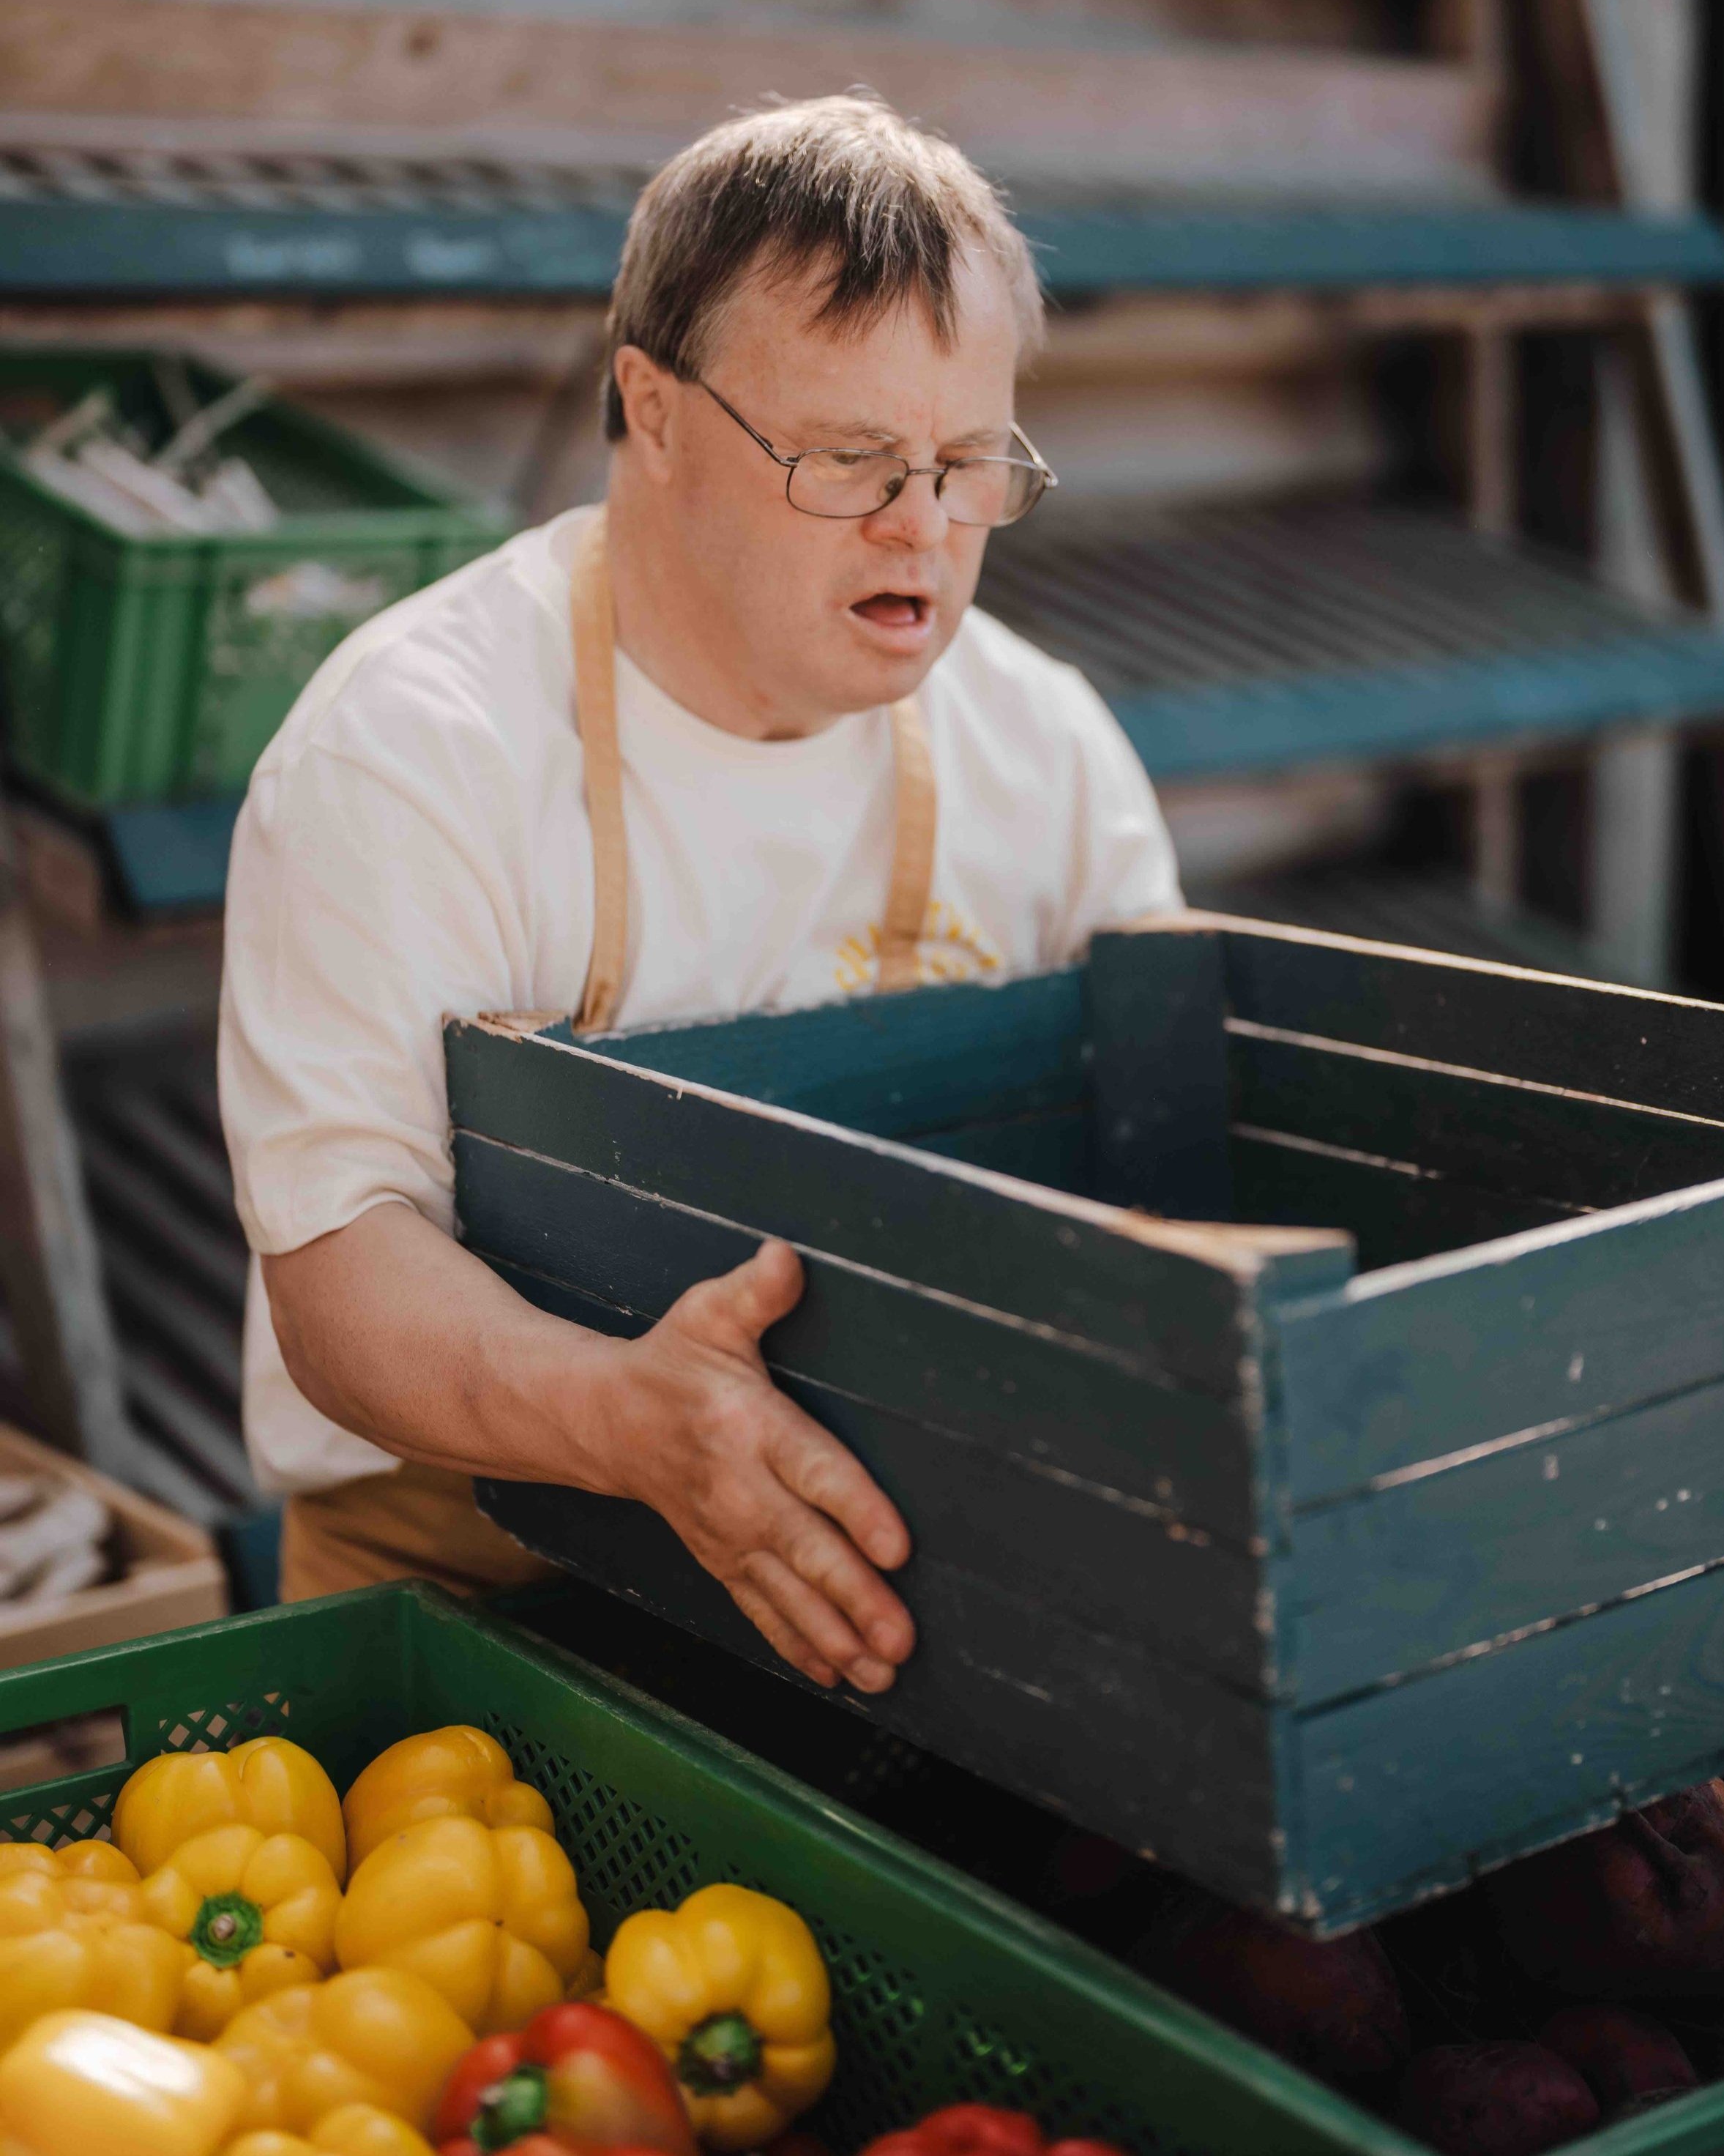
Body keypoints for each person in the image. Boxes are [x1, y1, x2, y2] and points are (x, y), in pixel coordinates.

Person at [220, 93, 1182, 1695]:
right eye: (847, 461)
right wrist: (630, 1422)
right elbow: (340, 1273)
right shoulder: (410, 747)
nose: (922, 532)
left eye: (965, 466)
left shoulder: (1048, 752)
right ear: (651, 414)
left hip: (905, 1603)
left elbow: (1155, 1171)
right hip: (471, 1598)